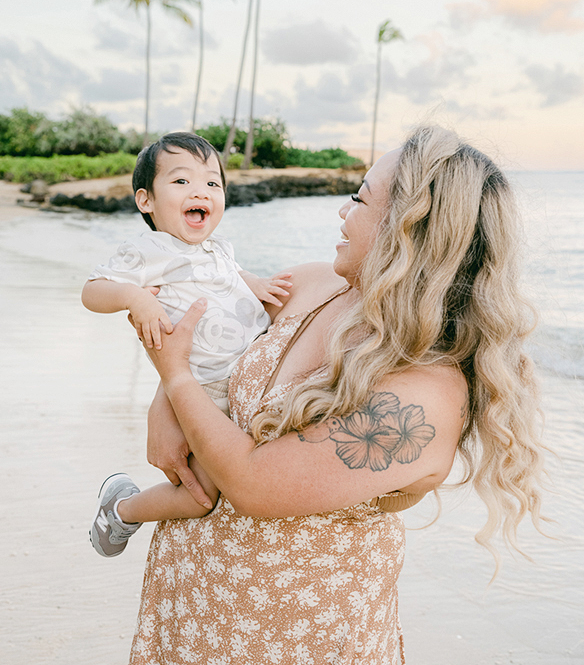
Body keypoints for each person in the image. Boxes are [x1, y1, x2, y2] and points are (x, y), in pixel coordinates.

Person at [123, 126, 547, 664]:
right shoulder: (313, 285)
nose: (342, 214)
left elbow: (255, 484)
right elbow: (208, 337)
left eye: (359, 199)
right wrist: (165, 398)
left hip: (297, 636)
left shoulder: (425, 394)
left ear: (409, 230)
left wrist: (177, 380)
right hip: (191, 603)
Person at [81, 132, 290, 557]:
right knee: (201, 495)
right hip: (206, 391)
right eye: (181, 181)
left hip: (248, 383)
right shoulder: (148, 250)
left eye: (212, 183)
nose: (201, 191)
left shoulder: (219, 249)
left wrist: (259, 284)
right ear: (146, 201)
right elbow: (92, 291)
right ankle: (122, 511)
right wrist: (134, 297)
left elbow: (233, 276)